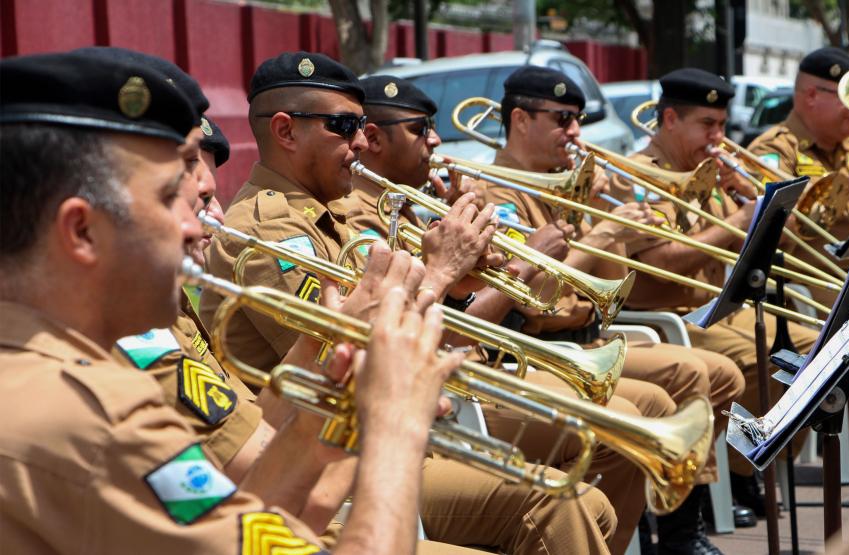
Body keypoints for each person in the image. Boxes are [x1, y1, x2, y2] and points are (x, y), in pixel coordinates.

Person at [0, 50, 459, 554]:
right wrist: (394, 428)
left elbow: (252, 532)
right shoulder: (101, 419)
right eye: (168, 197)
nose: (196, 225)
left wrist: (326, 417)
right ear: (82, 231)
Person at [201, 52, 618, 554]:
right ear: (286, 132)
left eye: (362, 126)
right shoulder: (266, 231)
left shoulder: (332, 214)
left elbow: (410, 319)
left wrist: (462, 282)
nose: (361, 141)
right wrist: (442, 274)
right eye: (345, 126)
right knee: (561, 504)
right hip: (336, 460)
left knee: (591, 500)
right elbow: (350, 359)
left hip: (395, 429)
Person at [469, 66, 746, 553]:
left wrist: (614, 215)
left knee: (717, 376)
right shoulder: (496, 195)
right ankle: (640, 539)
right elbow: (534, 301)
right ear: (520, 120)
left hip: (589, 338)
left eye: (577, 119)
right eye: (563, 119)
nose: (576, 132)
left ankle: (669, 528)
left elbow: (615, 280)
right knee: (675, 384)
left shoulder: (566, 185)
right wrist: (602, 235)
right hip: (540, 346)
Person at [606, 67, 825, 518]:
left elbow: (784, 243)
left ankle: (747, 466)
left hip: (716, 309)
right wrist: (737, 222)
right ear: (670, 120)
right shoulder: (638, 176)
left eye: (723, 125)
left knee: (817, 353)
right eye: (707, 124)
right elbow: (664, 264)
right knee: (763, 358)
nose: (719, 138)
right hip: (669, 317)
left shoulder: (710, 172)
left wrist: (754, 202)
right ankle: (728, 482)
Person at [748, 47, 849, 464]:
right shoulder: (774, 151)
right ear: (810, 96)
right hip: (808, 274)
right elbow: (775, 230)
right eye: (846, 99)